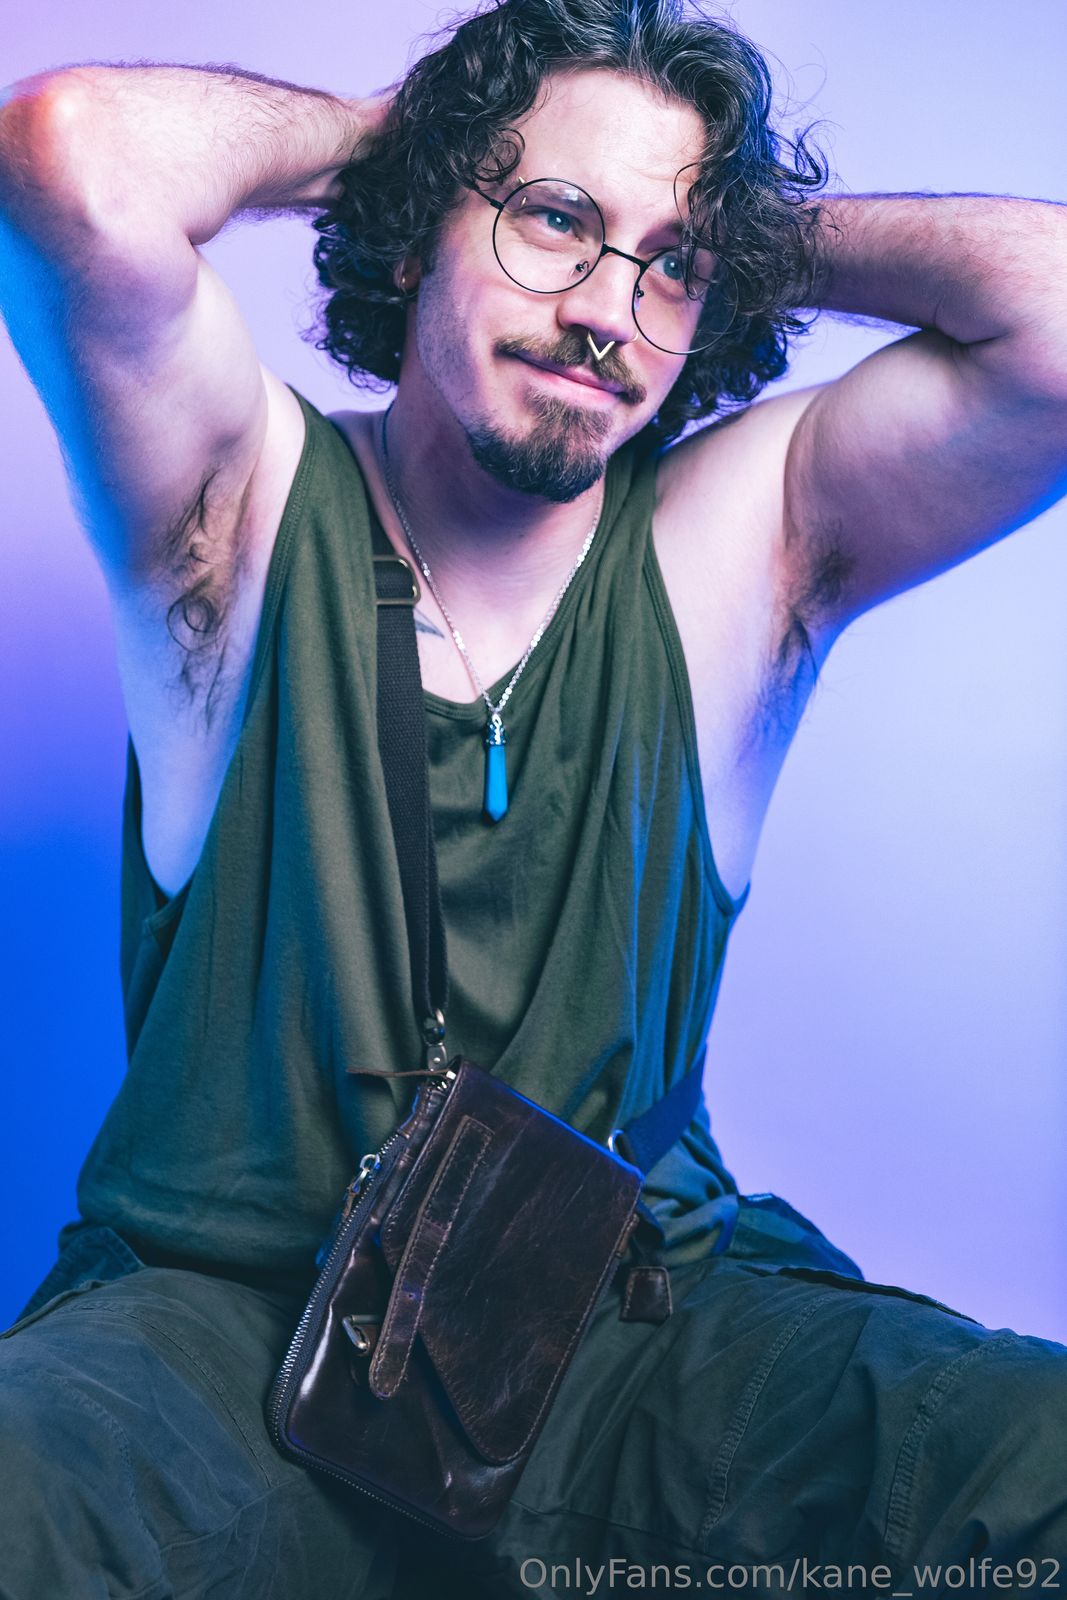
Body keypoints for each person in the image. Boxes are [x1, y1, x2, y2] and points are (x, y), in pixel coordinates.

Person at [1, 0, 1065, 1594]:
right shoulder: (237, 506)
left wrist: (742, 231)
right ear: (423, 226)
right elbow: (69, 155)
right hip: (230, 1334)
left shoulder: (736, 547)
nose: (607, 313)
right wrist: (406, 145)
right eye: (555, 221)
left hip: (632, 1335)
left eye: (671, 264)